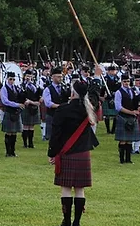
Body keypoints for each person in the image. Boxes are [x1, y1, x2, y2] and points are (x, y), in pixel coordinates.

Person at [48, 80, 100, 226]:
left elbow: (55, 134)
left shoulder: (63, 109)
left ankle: (66, 221)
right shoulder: (89, 108)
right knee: (79, 190)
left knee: (65, 188)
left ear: (72, 93)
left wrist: (52, 152)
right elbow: (95, 95)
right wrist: (96, 78)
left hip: (67, 153)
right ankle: (77, 222)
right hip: (83, 153)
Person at [114, 74, 140, 164]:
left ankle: (128, 159)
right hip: (123, 117)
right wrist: (132, 112)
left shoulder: (133, 91)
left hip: (132, 117)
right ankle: (122, 160)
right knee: (123, 140)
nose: (126, 83)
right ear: (121, 82)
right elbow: (118, 107)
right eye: (125, 81)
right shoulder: (118, 92)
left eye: (128, 81)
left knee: (130, 140)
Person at [0, 72, 24, 157]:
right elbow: (5, 101)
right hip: (9, 112)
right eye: (10, 79)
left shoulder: (16, 88)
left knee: (14, 133)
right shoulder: (4, 88)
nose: (12, 81)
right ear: (7, 79)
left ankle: (13, 151)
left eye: (14, 79)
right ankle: (8, 152)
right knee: (9, 132)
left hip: (16, 112)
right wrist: (17, 104)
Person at [21, 70, 42, 148]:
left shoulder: (36, 85)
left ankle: (31, 143)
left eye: (30, 76)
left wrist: (36, 101)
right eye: (27, 76)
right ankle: (25, 144)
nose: (28, 78)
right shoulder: (22, 85)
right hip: (26, 107)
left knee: (32, 126)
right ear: (24, 76)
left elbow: (39, 95)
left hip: (34, 106)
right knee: (26, 126)